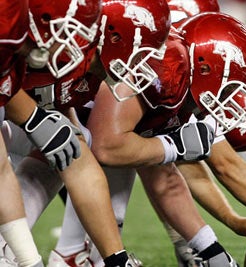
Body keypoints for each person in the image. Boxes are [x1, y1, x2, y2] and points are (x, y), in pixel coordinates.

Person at [48, 12, 246, 267]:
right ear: (206, 65)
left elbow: (172, 175)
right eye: (231, 85)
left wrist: (217, 238)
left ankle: (78, 254)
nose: (229, 97)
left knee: (93, 155)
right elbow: (110, 147)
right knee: (60, 157)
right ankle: (69, 253)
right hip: (41, 100)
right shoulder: (165, 67)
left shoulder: (185, 85)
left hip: (63, 113)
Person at [0, 1, 173, 266]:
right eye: (139, 53)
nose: (82, 39)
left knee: (70, 142)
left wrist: (116, 258)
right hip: (10, 117)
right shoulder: (18, 30)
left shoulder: (79, 61)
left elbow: (81, 166)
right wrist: (35, 117)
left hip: (15, 116)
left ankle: (24, 249)